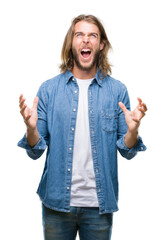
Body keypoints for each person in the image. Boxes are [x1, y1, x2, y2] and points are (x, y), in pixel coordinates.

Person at [18, 14, 147, 240]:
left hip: (99, 206)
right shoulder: (49, 90)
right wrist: (31, 129)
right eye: (79, 35)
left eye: (92, 35)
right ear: (72, 43)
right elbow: (35, 151)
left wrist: (133, 131)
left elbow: (127, 151)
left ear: (101, 44)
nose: (86, 40)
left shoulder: (117, 91)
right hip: (56, 204)